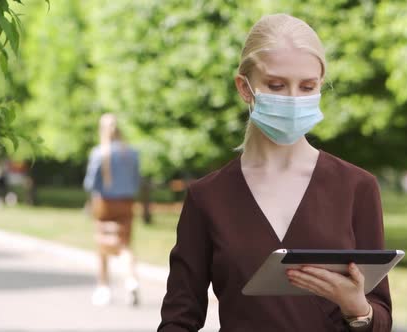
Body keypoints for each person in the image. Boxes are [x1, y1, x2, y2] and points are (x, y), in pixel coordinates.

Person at [158, 14, 392, 331]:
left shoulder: (357, 188)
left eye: (307, 86)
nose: (293, 100)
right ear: (245, 88)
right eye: (276, 85)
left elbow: (380, 317)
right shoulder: (207, 198)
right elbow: (178, 319)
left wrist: (358, 310)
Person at [83, 113, 141, 306]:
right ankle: (131, 280)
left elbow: (90, 183)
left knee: (102, 245)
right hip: (126, 203)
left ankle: (103, 288)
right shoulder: (132, 154)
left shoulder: (99, 153)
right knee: (124, 244)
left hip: (104, 205)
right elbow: (136, 181)